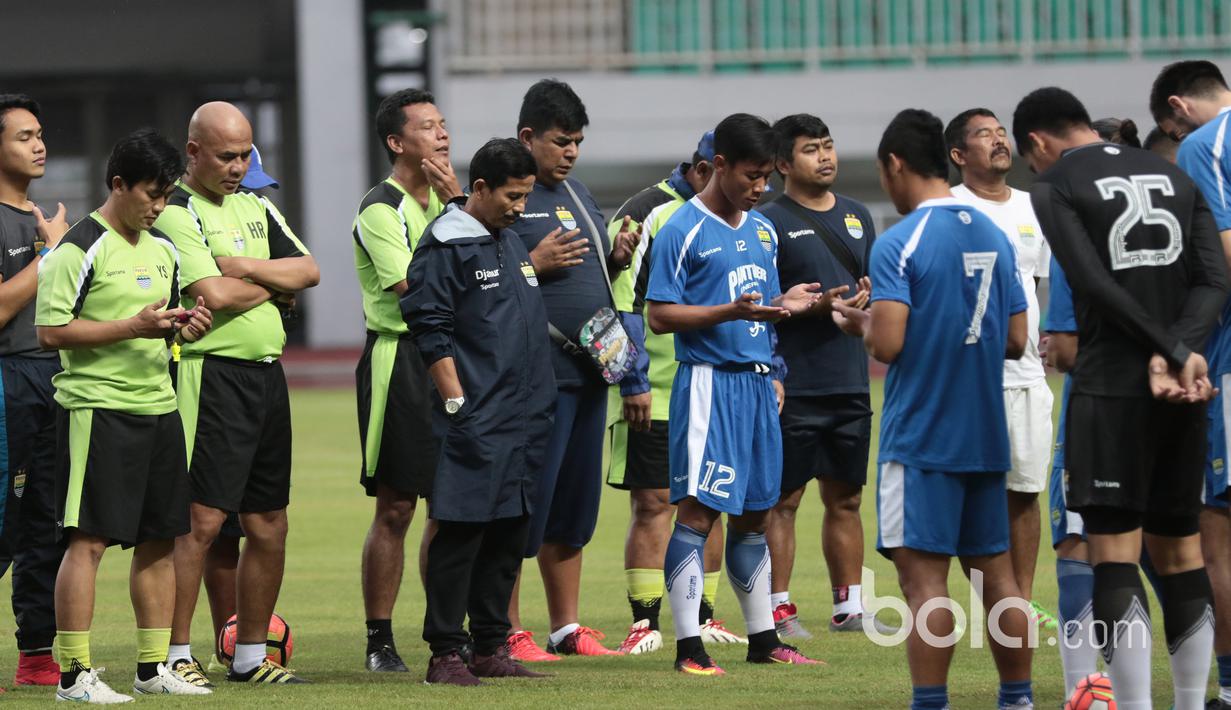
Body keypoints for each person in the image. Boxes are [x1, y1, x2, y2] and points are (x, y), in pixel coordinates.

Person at [1016, 85, 1227, 709]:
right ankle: (1192, 703)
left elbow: (1090, 280)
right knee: (1183, 553)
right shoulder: (1172, 171)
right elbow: (1215, 279)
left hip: (1111, 387)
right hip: (1184, 388)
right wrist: (1183, 349)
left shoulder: (1054, 185)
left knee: (1113, 555)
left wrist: (1158, 347)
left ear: (1037, 142)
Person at [831, 108, 1033, 710]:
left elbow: (889, 344)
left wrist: (861, 324)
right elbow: (1017, 341)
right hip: (985, 434)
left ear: (894, 165)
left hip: (923, 436)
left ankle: (930, 703)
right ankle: (1018, 699)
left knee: (924, 584)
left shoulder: (902, 240)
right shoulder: (993, 232)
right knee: (998, 579)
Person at [36, 127, 214, 702]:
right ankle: (73, 675)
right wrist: (130, 327)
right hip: (96, 411)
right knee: (86, 542)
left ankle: (151, 667)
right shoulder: (79, 247)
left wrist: (180, 328)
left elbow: (155, 327)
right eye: (150, 195)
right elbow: (49, 330)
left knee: (160, 540)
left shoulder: (162, 249)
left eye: (166, 197)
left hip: (158, 407)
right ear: (118, 184)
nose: (158, 207)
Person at [646, 112, 823, 676]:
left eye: (767, 176)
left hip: (755, 385)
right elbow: (658, 315)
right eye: (751, 175)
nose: (760, 187)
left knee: (756, 514)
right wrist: (728, 311)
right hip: (708, 385)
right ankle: (689, 649)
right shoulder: (682, 228)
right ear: (717, 165)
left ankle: (763, 640)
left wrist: (783, 328)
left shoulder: (763, 230)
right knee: (699, 513)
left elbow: (762, 311)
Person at [156, 101, 320, 686]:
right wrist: (271, 284)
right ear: (193, 151)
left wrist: (243, 267)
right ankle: (176, 654)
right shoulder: (177, 210)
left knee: (270, 521)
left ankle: (251, 654)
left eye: (246, 153)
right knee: (199, 522)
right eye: (227, 155)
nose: (238, 165)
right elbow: (211, 294)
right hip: (211, 375)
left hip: (266, 375)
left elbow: (309, 269)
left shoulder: (257, 203)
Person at [403, 137, 556, 686]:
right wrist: (456, 403)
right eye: (512, 196)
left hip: (524, 415)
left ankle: (491, 645)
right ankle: (445, 653)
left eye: (526, 196)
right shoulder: (445, 244)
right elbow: (430, 328)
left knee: (509, 531)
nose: (520, 207)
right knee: (462, 532)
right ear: (481, 188)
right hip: (476, 415)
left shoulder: (507, 240)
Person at [504, 78, 639, 660]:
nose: (572, 152)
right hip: (537, 379)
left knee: (574, 510)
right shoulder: (503, 194)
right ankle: (506, 630)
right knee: (522, 507)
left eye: (578, 141)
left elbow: (590, 277)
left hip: (592, 374)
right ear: (528, 136)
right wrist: (532, 262)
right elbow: (478, 279)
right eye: (561, 141)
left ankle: (566, 626)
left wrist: (614, 255)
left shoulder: (579, 192)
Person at [606, 130, 747, 655]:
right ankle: (644, 623)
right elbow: (621, 304)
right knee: (653, 504)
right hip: (656, 390)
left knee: (709, 500)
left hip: (713, 388)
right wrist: (632, 380)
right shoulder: (647, 211)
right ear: (708, 168)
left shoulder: (737, 220)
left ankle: (704, 616)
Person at [758, 113, 882, 638]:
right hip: (795, 384)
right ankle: (779, 608)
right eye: (811, 149)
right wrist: (809, 307)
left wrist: (865, 299)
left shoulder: (859, 216)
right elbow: (759, 303)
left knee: (847, 498)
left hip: (851, 381)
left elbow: (875, 286)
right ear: (784, 163)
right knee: (784, 500)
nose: (825, 157)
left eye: (828, 146)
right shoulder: (768, 221)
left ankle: (848, 606)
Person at [353, 88, 461, 672]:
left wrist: (457, 208)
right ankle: (379, 639)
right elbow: (416, 294)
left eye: (443, 125)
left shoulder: (452, 205)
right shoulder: (380, 209)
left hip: (454, 359)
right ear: (397, 142)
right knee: (396, 507)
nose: (442, 135)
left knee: (452, 505)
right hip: (402, 363)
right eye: (427, 126)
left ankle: (445, 632)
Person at [944, 107, 1056, 630]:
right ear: (958, 155)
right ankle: (996, 604)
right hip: (970, 380)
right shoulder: (948, 209)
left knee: (1025, 491)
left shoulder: (1036, 208)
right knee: (976, 494)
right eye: (983, 135)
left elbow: (1034, 287)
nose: (998, 141)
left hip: (1028, 375)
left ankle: (1022, 603)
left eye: (1001, 132)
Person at [1150, 59, 1231, 709]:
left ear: (1177, 110)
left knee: (1217, 524)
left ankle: (1228, 686)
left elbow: (1221, 254)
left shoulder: (1207, 145)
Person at [0, 93, 69, 688]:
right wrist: (51, 255)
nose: (38, 144)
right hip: (6, 382)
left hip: (53, 379)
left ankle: (37, 657)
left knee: (46, 523)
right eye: (23, 136)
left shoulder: (41, 219)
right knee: (3, 521)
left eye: (39, 134)